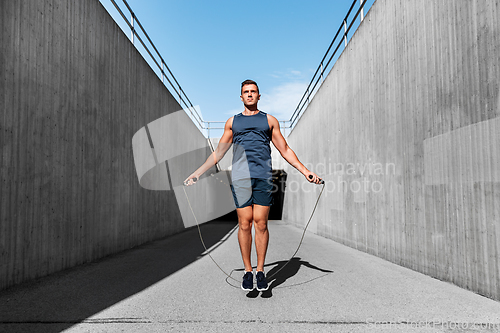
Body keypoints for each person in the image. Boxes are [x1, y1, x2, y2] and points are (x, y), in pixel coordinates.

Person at [184, 79, 321, 292]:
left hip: (263, 178)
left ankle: (260, 271)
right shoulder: (232, 122)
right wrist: (197, 173)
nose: (249, 95)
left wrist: (306, 171)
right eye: (246, 92)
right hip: (240, 179)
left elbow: (285, 149)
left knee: (261, 224)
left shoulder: (269, 120)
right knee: (244, 223)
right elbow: (219, 153)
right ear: (241, 97)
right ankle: (248, 272)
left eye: (253, 91)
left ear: (259, 96)